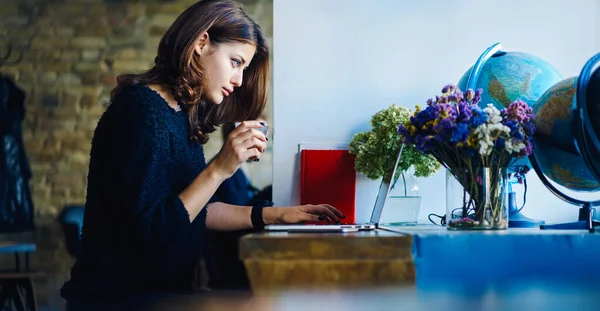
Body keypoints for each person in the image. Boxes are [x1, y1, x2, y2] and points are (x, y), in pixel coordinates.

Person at [60, 0, 344, 309]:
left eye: (244, 68)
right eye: (235, 62)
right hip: (120, 300)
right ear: (201, 42)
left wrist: (276, 215)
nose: (238, 80)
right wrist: (220, 168)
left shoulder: (178, 114)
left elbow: (195, 210)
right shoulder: (140, 112)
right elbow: (154, 230)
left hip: (160, 294)